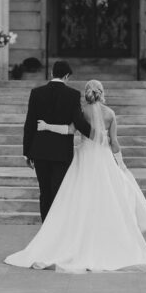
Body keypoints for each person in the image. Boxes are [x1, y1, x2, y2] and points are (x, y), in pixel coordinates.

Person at [6, 79, 146, 272]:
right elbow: (115, 143)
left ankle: (73, 241)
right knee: (108, 200)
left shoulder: (82, 112)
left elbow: (69, 130)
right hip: (103, 160)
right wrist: (120, 164)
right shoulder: (110, 114)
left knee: (77, 201)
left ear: (87, 93)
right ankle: (109, 243)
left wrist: (46, 126)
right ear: (102, 93)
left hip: (83, 158)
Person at [22, 59, 92, 220]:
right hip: (62, 152)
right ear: (66, 76)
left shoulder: (36, 92)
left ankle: (46, 228)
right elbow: (79, 122)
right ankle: (56, 228)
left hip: (39, 151)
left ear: (52, 73)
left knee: (44, 192)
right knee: (59, 191)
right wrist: (96, 135)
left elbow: (30, 123)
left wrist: (27, 152)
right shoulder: (73, 94)